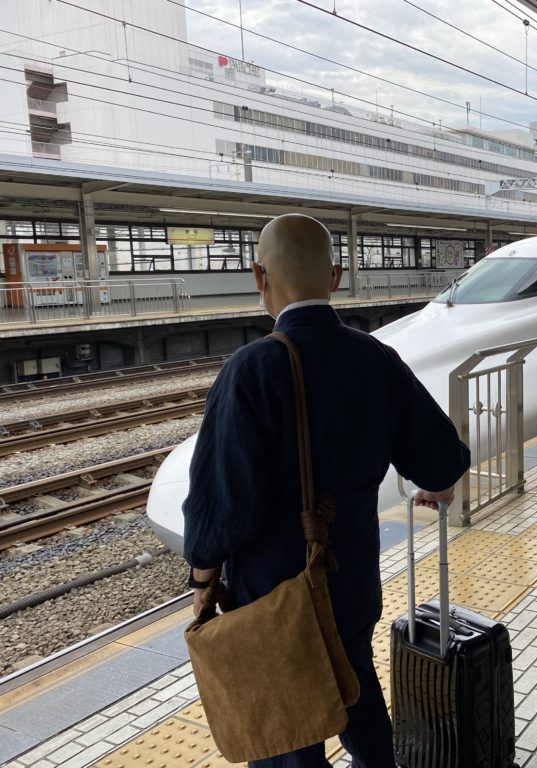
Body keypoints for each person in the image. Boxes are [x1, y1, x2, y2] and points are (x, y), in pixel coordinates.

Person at [182, 214, 471, 768]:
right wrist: (438, 488)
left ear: (259, 277)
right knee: (351, 678)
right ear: (336, 277)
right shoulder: (376, 357)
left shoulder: (252, 368)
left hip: (278, 590)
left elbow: (223, 502)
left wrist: (202, 578)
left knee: (289, 725)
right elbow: (441, 460)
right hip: (352, 577)